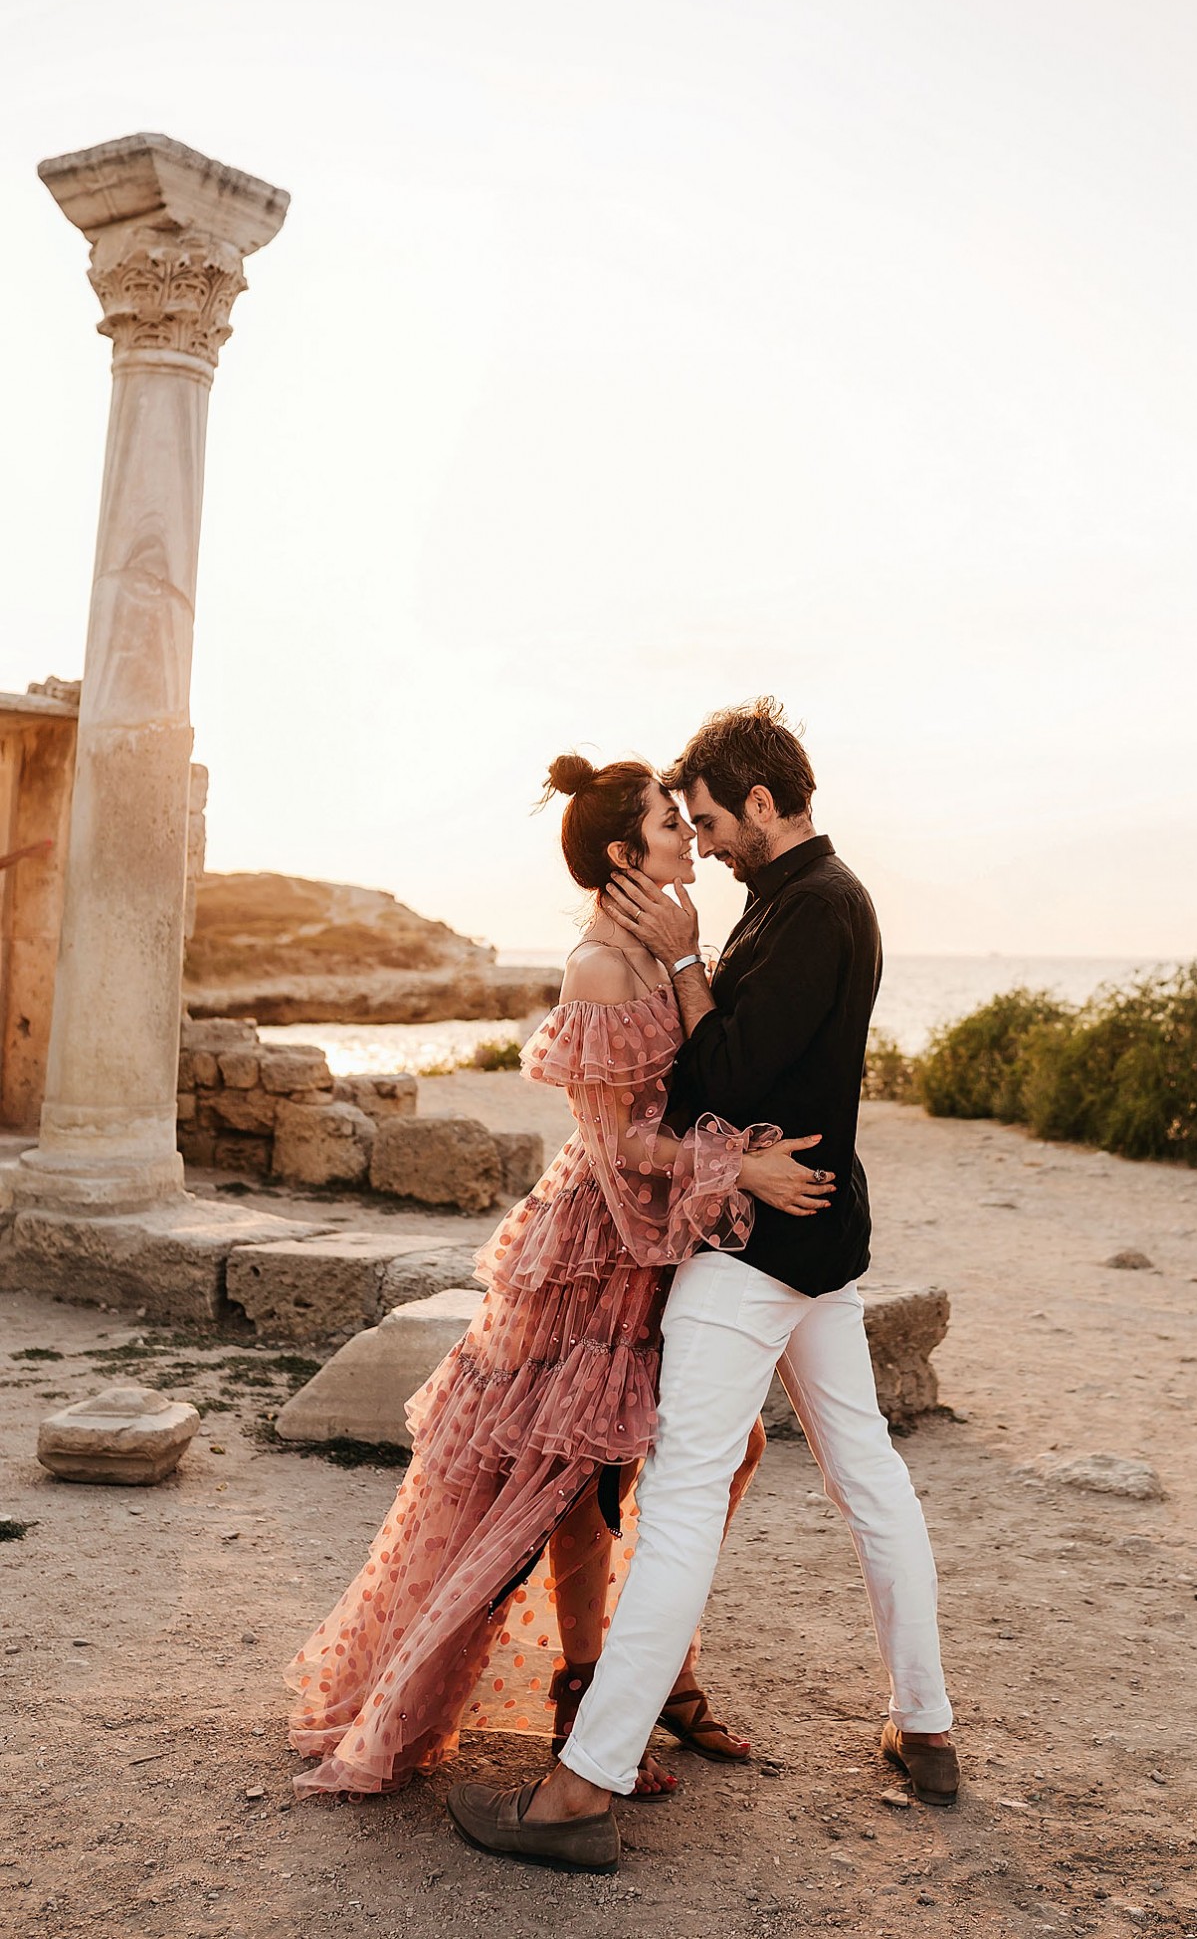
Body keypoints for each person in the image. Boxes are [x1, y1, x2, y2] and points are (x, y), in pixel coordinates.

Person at [448, 699, 957, 1875]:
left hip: (757, 1252)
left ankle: (580, 1787)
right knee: (869, 1475)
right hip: (815, 1239)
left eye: (716, 820)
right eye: (690, 823)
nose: (709, 842)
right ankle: (924, 1725)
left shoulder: (815, 908)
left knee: (681, 1502)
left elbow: (718, 1074)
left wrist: (682, 960)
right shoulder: (801, 898)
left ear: (764, 803)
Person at [285, 752, 828, 1799]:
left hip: (666, 1230)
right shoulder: (598, 969)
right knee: (585, 1472)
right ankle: (585, 1693)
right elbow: (618, 1142)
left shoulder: (665, 942)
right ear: (624, 852)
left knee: (727, 1444)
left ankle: (661, 1671)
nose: (689, 835)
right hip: (598, 1242)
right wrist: (736, 1168)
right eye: (669, 823)